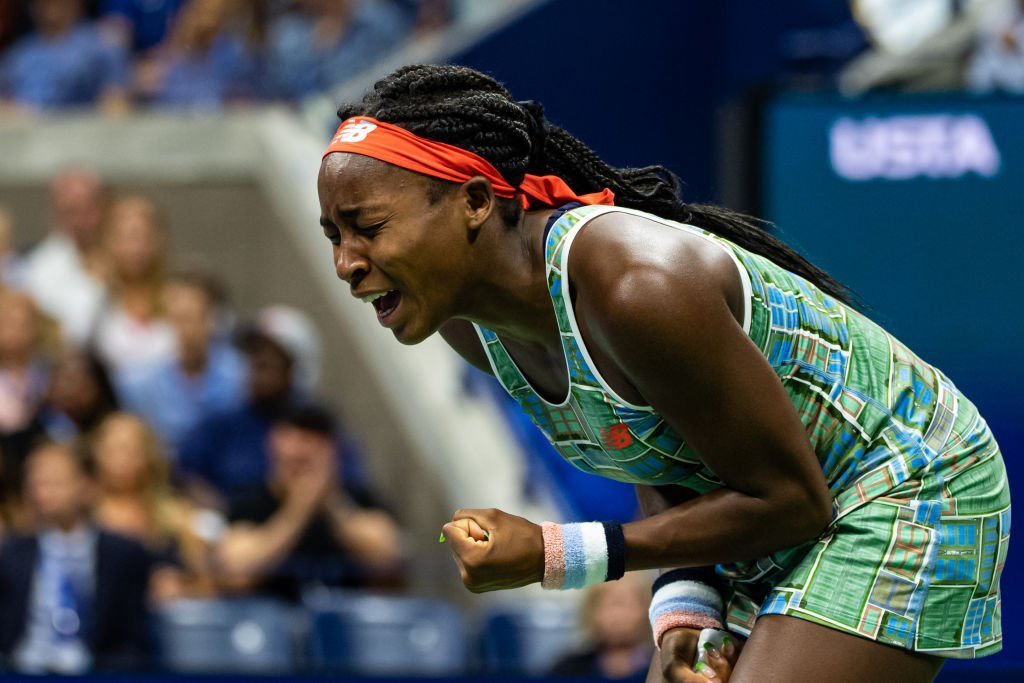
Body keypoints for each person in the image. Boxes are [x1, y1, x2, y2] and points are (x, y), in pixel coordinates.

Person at [316, 64, 1010, 682]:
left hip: (906, 480)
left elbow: (793, 499)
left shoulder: (635, 285)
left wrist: (556, 552)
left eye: (367, 227)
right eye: (334, 236)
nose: (347, 262)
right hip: (781, 507)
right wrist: (685, 608)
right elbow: (653, 445)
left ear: (473, 201)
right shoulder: (472, 323)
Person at [216, 403, 403, 600]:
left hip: (344, 622)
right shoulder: (249, 503)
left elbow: (389, 561)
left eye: (310, 457)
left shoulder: (359, 499)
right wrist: (299, 510)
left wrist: (332, 504)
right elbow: (236, 574)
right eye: (294, 462)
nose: (304, 451)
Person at [0, 441, 152, 673]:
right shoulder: (11, 554)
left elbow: (133, 638)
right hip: (23, 670)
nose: (42, 492)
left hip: (97, 673)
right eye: (35, 483)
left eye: (54, 482)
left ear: (85, 485)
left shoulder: (122, 555)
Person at [116, 268, 245, 458]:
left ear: (215, 319)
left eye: (196, 317)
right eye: (179, 319)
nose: (187, 330)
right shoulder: (135, 382)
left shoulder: (241, 375)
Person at [89, 412, 218, 601]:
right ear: (97, 453)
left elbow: (208, 585)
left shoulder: (175, 515)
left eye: (131, 450)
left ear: (147, 456)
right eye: (113, 449)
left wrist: (183, 586)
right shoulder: (82, 513)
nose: (121, 459)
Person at [19, 168, 109, 346]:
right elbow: (67, 335)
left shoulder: (128, 257)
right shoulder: (38, 268)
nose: (81, 220)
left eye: (87, 207)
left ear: (103, 207)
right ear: (56, 212)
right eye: (71, 210)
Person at [91, 196, 176, 374]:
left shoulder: (177, 297)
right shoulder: (93, 296)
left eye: (143, 237)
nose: (136, 248)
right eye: (127, 237)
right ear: (108, 241)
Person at [0, 0, 130, 113]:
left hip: (79, 133)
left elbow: (116, 104)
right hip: (24, 134)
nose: (49, 6)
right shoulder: (18, 53)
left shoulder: (102, 45)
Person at [550, 572, 654, 680]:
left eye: (627, 604)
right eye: (610, 604)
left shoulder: (663, 666)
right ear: (591, 610)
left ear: (647, 608)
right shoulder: (568, 670)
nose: (617, 616)